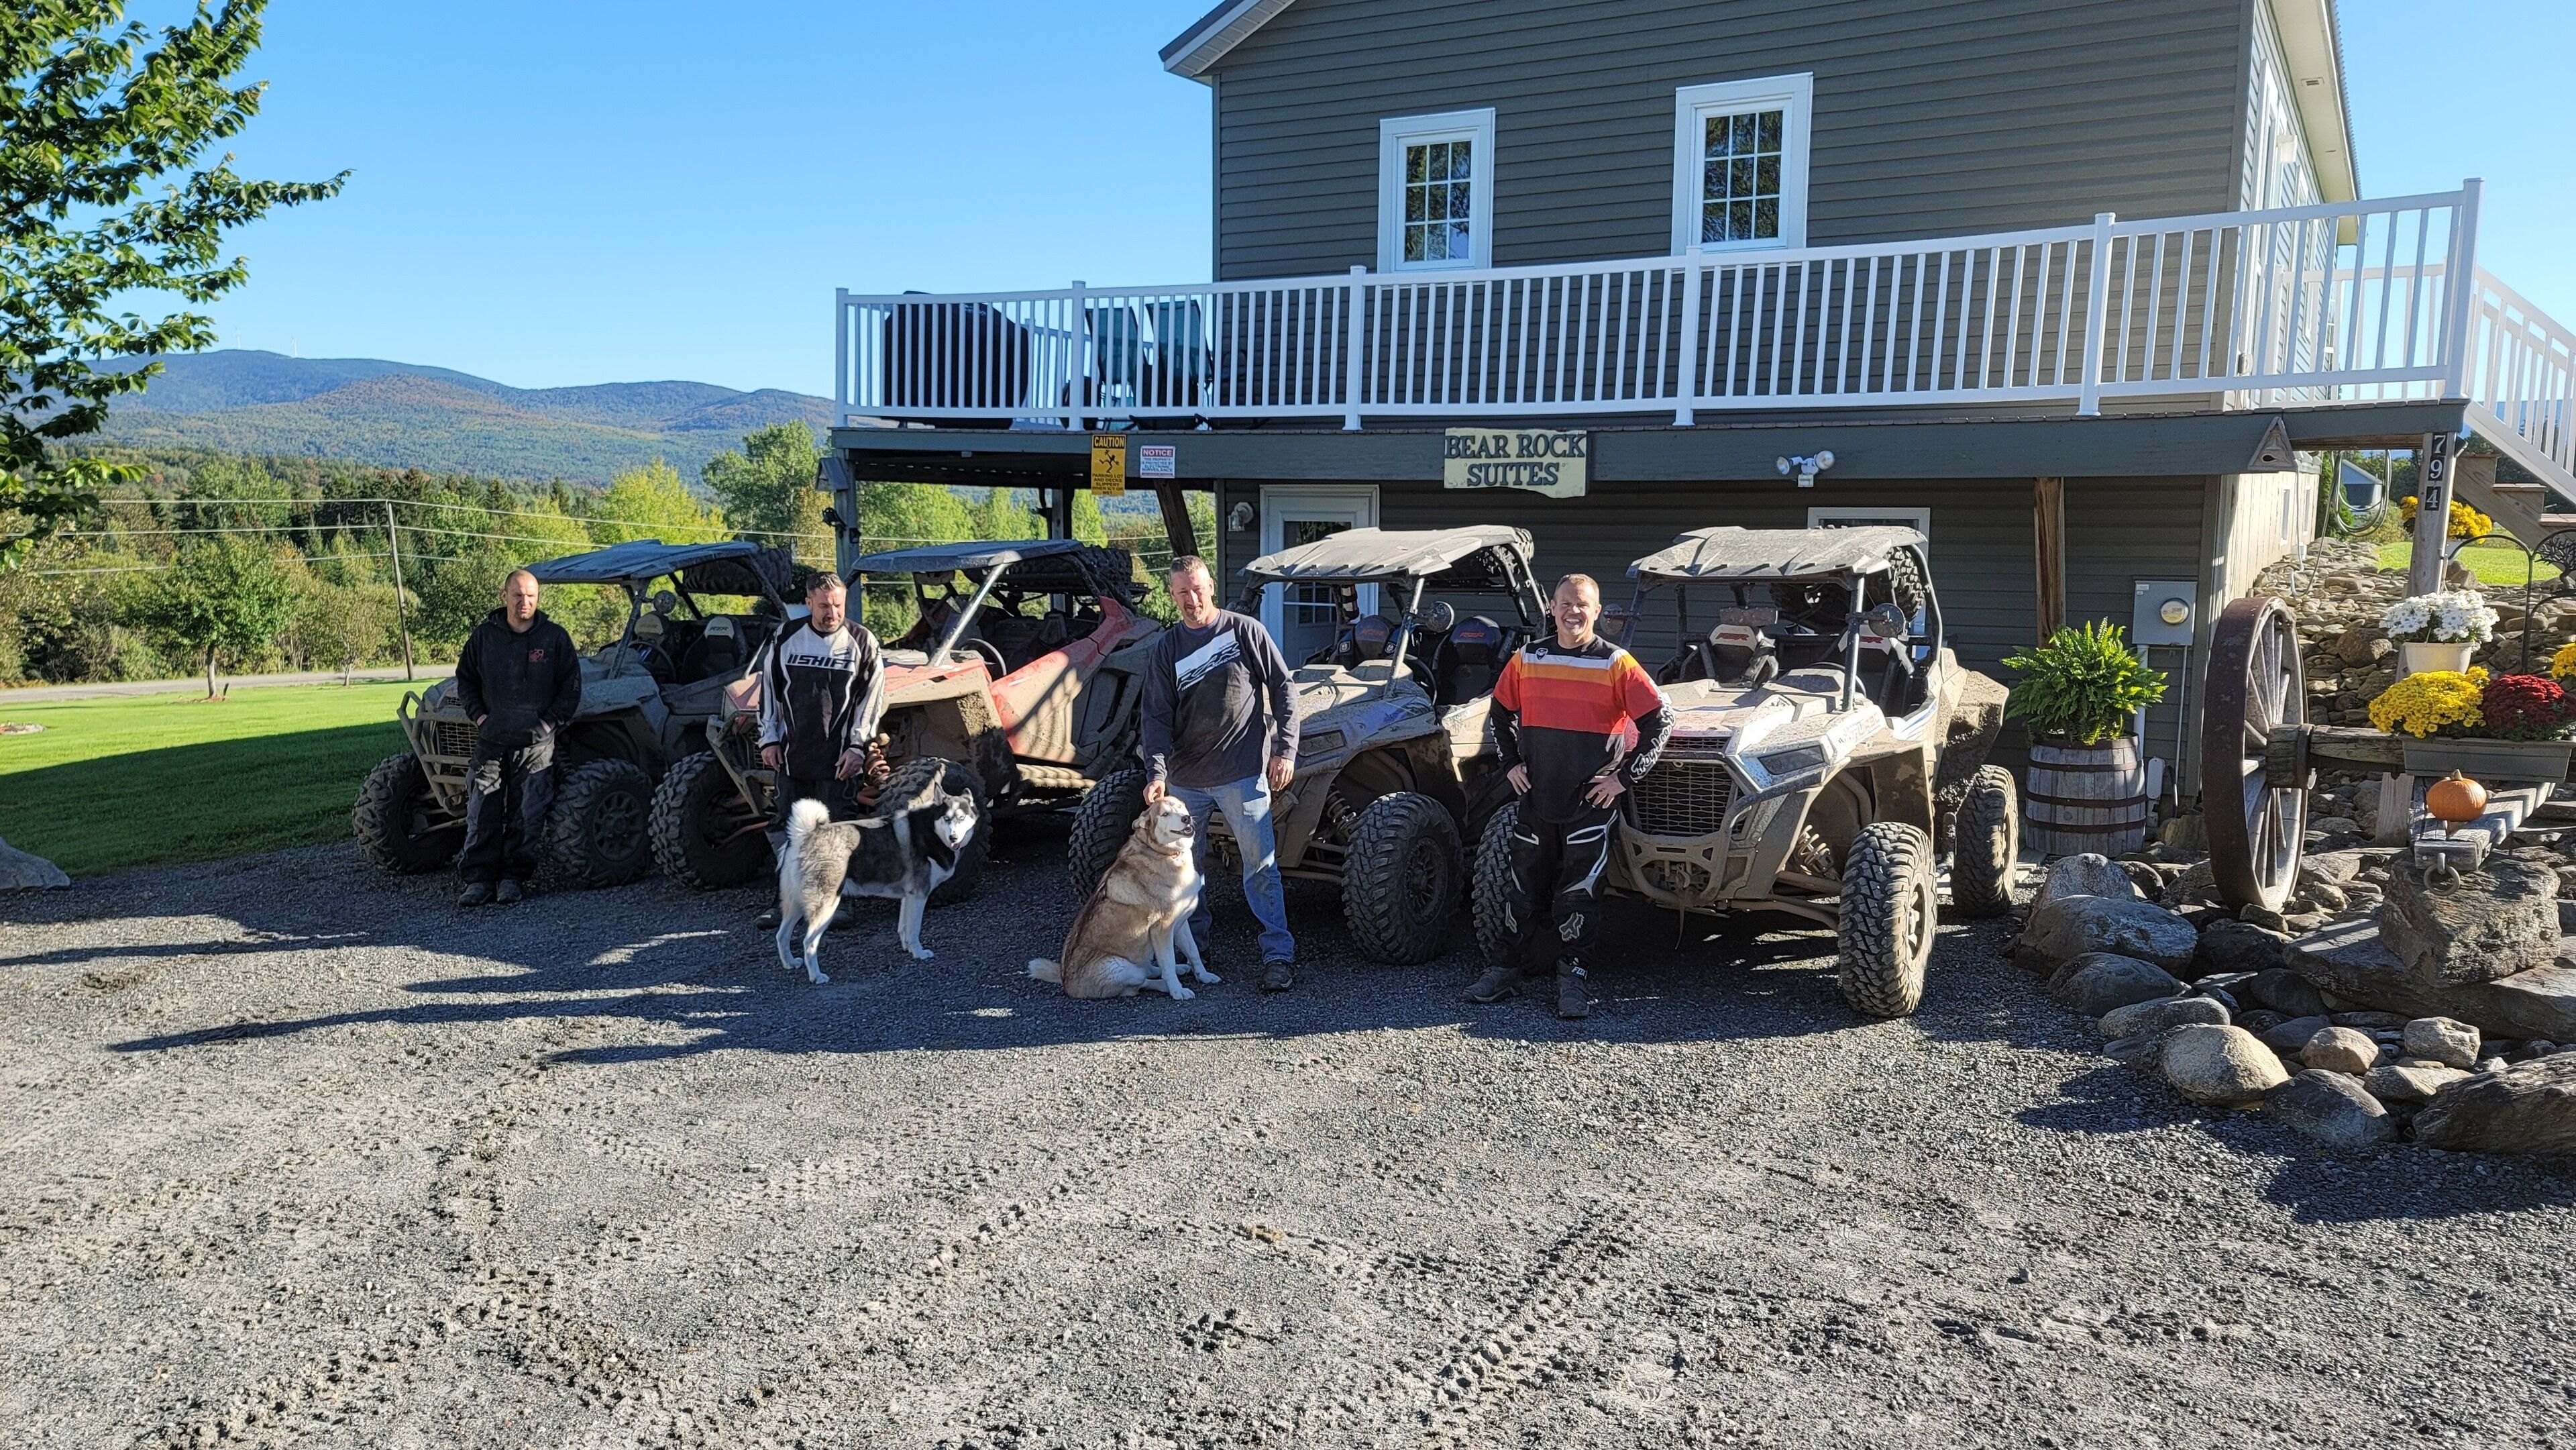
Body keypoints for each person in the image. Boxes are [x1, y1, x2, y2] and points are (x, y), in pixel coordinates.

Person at [1466, 572, 1673, 1019]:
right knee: (1520, 891)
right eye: (1565, 603)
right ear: (1552, 608)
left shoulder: (1616, 662)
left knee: (1579, 896)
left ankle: (1572, 979)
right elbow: (1499, 712)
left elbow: (1660, 720)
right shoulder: (1528, 657)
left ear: (1597, 611)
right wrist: (1511, 764)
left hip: (1590, 806)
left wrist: (1625, 779)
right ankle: (1504, 970)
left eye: (1582, 604)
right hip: (1537, 799)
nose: (1572, 611)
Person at [1139, 555, 1300, 991]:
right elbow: (1155, 716)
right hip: (1185, 781)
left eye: (1198, 589)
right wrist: (1156, 773)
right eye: (1182, 593)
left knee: (1260, 868)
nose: (1192, 600)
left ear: (1211, 586)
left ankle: (1278, 954)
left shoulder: (1246, 631)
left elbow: (1284, 688)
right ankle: (1196, 952)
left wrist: (1285, 750)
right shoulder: (1167, 649)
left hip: (1242, 774)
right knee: (1185, 874)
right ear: (1172, 596)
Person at [452, 568, 581, 906]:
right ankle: (479, 881)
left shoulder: (554, 638)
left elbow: (571, 687)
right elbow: (465, 680)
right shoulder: (484, 637)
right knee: (482, 809)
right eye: (518, 595)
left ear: (538, 598)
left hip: (535, 745)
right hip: (492, 740)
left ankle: (513, 879)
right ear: (504, 596)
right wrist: (480, 717)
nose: (525, 601)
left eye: (531, 595)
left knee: (527, 811)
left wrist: (547, 725)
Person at [759, 573, 887, 848]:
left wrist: (857, 748)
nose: (833, 613)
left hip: (839, 762)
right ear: (809, 604)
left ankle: (834, 877)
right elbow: (769, 688)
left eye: (838, 606)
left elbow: (871, 701)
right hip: (791, 758)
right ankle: (788, 876)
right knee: (787, 829)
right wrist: (768, 738)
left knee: (837, 832)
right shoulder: (786, 636)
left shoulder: (862, 641)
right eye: (824, 606)